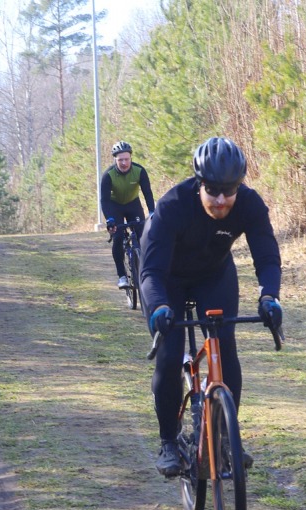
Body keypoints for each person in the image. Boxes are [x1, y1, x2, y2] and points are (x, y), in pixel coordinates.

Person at [139, 136, 282, 477]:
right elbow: (150, 271)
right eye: (213, 190)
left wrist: (269, 295)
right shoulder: (173, 206)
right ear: (199, 184)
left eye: (228, 191)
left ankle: (225, 435)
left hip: (213, 275)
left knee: (223, 345)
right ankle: (169, 443)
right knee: (171, 355)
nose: (220, 200)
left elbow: (266, 253)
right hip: (166, 281)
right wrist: (158, 306)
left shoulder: (248, 204)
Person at [100, 141, 155, 288]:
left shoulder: (139, 171)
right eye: (120, 160)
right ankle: (122, 276)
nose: (124, 163)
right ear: (115, 160)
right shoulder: (108, 175)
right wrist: (109, 220)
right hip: (114, 206)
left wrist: (152, 212)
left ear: (131, 158)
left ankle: (147, 270)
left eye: (126, 159)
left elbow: (147, 193)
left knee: (143, 236)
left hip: (133, 204)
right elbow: (104, 200)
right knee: (118, 238)